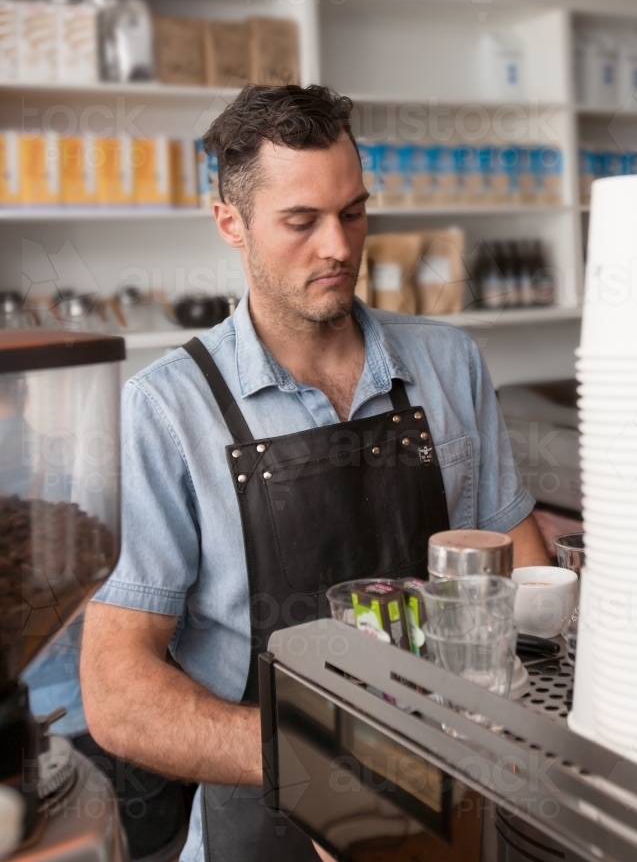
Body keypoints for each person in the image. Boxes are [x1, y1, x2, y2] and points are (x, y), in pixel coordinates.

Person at [80, 84, 549, 862]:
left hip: (457, 793)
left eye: (354, 212)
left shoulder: (449, 363)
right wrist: (321, 764)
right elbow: (117, 693)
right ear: (230, 222)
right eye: (301, 222)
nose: (338, 246)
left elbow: (520, 565)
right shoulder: (167, 410)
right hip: (261, 816)